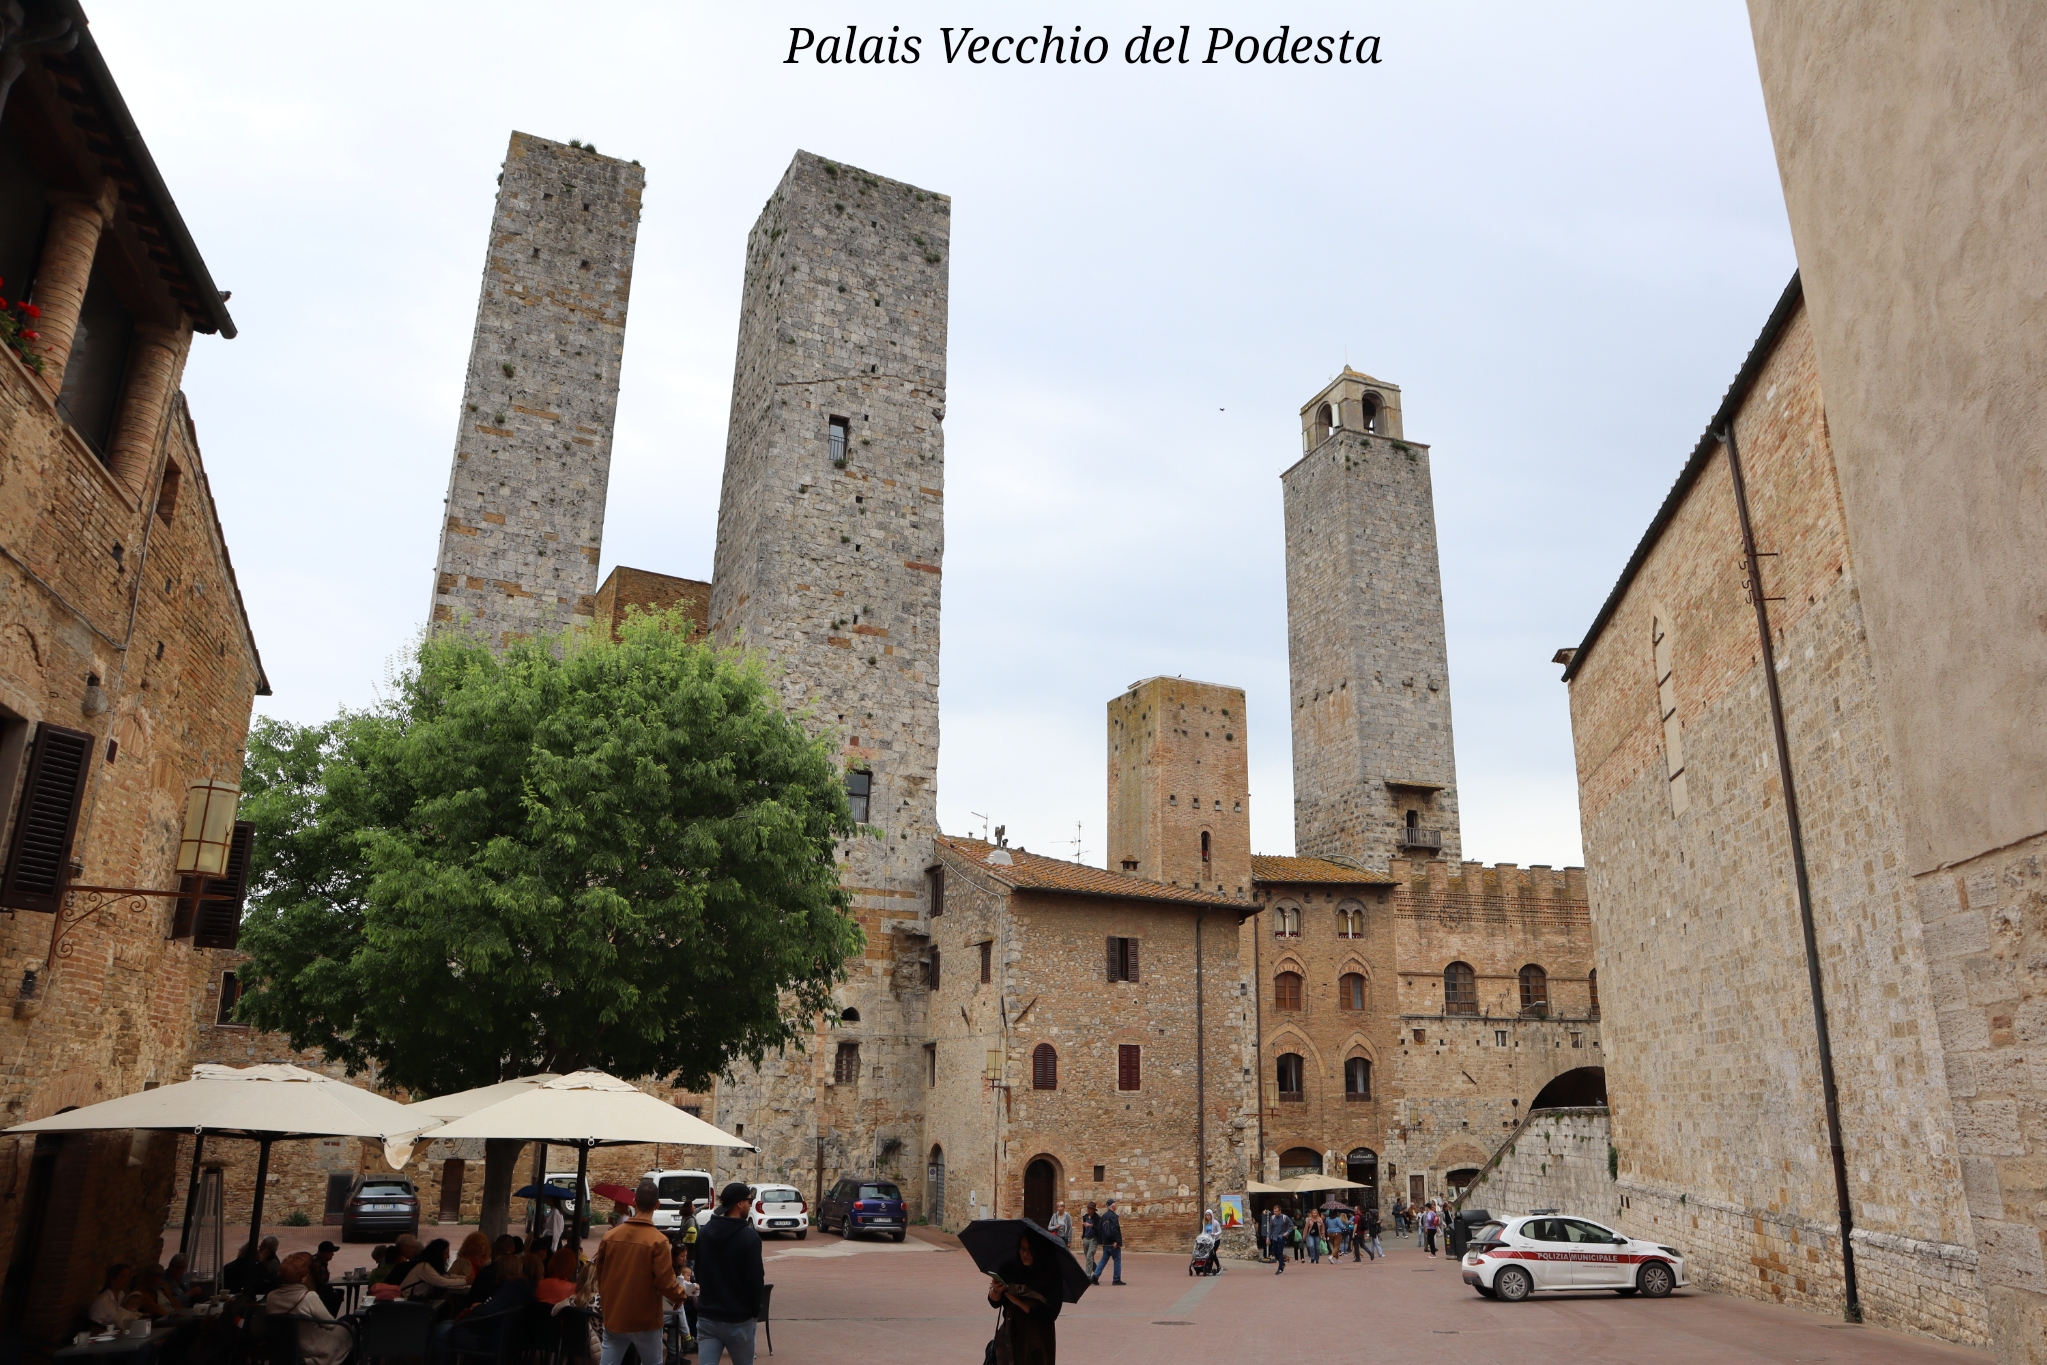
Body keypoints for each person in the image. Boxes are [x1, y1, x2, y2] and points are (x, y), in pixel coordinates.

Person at [597, 1178, 687, 1365]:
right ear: (657, 1205)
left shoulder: (610, 1237)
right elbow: (665, 1281)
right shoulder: (658, 1241)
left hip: (615, 1314)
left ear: (634, 1203)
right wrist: (679, 1295)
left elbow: (601, 1274)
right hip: (645, 1319)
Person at [694, 1181, 765, 1365]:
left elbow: (698, 1271)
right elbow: (755, 1280)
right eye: (749, 1200)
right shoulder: (749, 1237)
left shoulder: (705, 1232)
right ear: (739, 1203)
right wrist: (755, 1311)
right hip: (738, 1318)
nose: (751, 1205)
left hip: (708, 1316)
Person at [986, 1232, 1062, 1365]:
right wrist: (996, 1290)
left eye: (1030, 1250)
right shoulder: (1009, 1268)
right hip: (1009, 1336)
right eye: (1022, 1249)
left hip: (1037, 1342)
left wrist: (1021, 1303)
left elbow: (1050, 1315)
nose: (1025, 1254)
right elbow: (994, 1303)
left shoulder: (1050, 1275)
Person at [269, 1252, 350, 1365]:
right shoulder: (308, 1296)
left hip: (287, 1348)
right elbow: (330, 1324)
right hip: (312, 1348)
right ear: (303, 1278)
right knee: (349, 1327)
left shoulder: (271, 1297)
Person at [551, 1260, 602, 1365]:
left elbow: (553, 1311)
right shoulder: (603, 1303)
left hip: (573, 1353)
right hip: (599, 1355)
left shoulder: (571, 1301)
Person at [398, 1238, 468, 1301]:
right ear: (437, 1254)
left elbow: (446, 1276)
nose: (448, 1256)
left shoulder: (430, 1266)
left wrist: (466, 1278)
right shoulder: (424, 1267)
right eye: (445, 1253)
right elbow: (442, 1282)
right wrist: (465, 1281)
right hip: (406, 1301)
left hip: (413, 1299)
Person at [1090, 1198, 1124, 1286]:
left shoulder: (1104, 1216)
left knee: (1103, 1260)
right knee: (1117, 1260)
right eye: (1115, 1204)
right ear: (1112, 1206)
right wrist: (1116, 1240)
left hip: (1106, 1243)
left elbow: (1101, 1230)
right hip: (1112, 1243)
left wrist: (1103, 1241)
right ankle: (1116, 1279)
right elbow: (1114, 1229)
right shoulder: (1113, 1216)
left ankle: (1095, 1277)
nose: (1116, 1205)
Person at [1267, 1209, 1292, 1275]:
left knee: (1279, 1252)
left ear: (1280, 1211)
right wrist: (1268, 1238)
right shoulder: (1272, 1218)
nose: (1275, 1213)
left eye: (1276, 1211)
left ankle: (1280, 1268)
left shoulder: (1285, 1217)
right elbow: (1270, 1228)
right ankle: (1282, 1263)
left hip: (1282, 1237)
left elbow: (1291, 1226)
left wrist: (1287, 1233)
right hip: (1274, 1237)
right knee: (1275, 1252)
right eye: (1274, 1211)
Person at [1078, 1203, 1099, 1280]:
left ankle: (1087, 1275)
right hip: (1086, 1238)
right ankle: (1097, 1271)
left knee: (1090, 1255)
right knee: (1088, 1257)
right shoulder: (1085, 1217)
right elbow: (1084, 1228)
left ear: (1093, 1210)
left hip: (1093, 1239)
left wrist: (1091, 1225)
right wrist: (1083, 1237)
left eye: (1090, 1209)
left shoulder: (1097, 1218)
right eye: (1088, 1208)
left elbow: (1098, 1229)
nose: (1089, 1210)